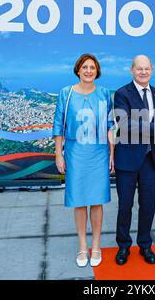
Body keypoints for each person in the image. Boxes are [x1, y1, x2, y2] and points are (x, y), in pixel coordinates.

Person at [53, 54, 114, 268]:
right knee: (79, 201)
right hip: (75, 153)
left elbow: (109, 126)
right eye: (85, 67)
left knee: (96, 200)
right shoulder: (66, 93)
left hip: (98, 153)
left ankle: (96, 245)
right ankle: (82, 246)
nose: (89, 71)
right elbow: (58, 125)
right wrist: (58, 154)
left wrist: (111, 154)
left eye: (93, 68)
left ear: (97, 71)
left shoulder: (105, 93)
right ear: (78, 70)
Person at [113, 55, 155, 265]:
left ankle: (145, 245)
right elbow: (124, 125)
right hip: (127, 160)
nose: (143, 72)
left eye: (147, 69)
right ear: (132, 70)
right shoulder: (122, 93)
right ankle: (124, 246)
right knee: (125, 205)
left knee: (148, 205)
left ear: (152, 70)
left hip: (150, 160)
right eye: (139, 69)